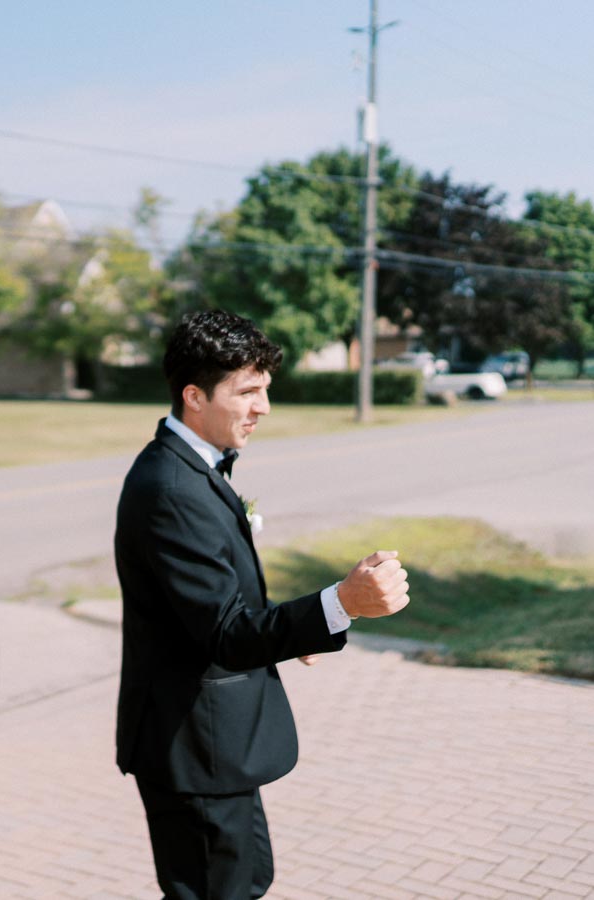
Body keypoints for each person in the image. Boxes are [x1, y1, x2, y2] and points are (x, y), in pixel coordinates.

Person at [114, 310, 411, 899]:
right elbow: (225, 632)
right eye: (247, 391)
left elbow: (213, 597)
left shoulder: (194, 468)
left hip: (219, 747)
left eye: (265, 390)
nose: (263, 407)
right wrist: (339, 603)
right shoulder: (171, 489)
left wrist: (292, 632)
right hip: (194, 748)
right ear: (194, 396)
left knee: (247, 882)